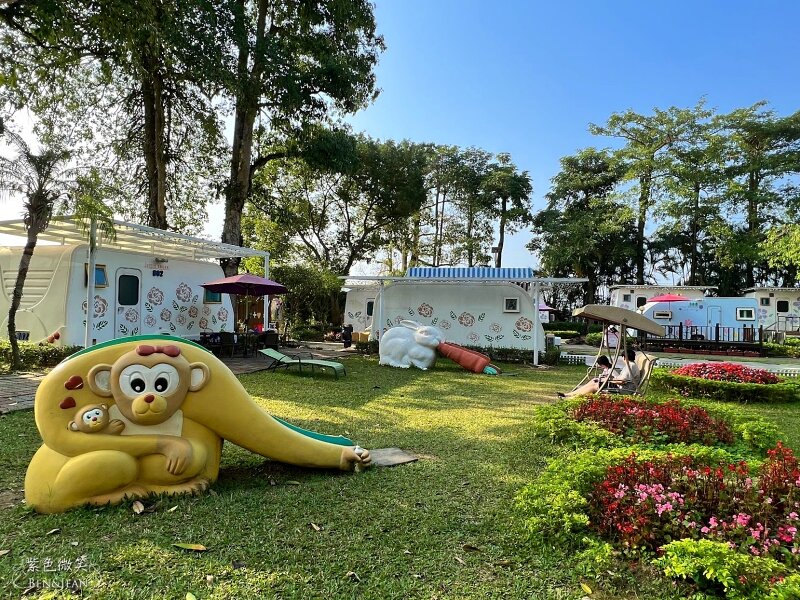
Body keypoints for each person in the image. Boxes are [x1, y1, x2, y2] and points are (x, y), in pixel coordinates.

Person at [559, 347, 639, 398]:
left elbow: (622, 381)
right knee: (594, 381)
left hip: (622, 390)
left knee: (594, 386)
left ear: (625, 357)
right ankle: (569, 394)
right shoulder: (630, 365)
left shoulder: (630, 366)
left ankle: (571, 397)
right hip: (620, 386)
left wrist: (609, 380)